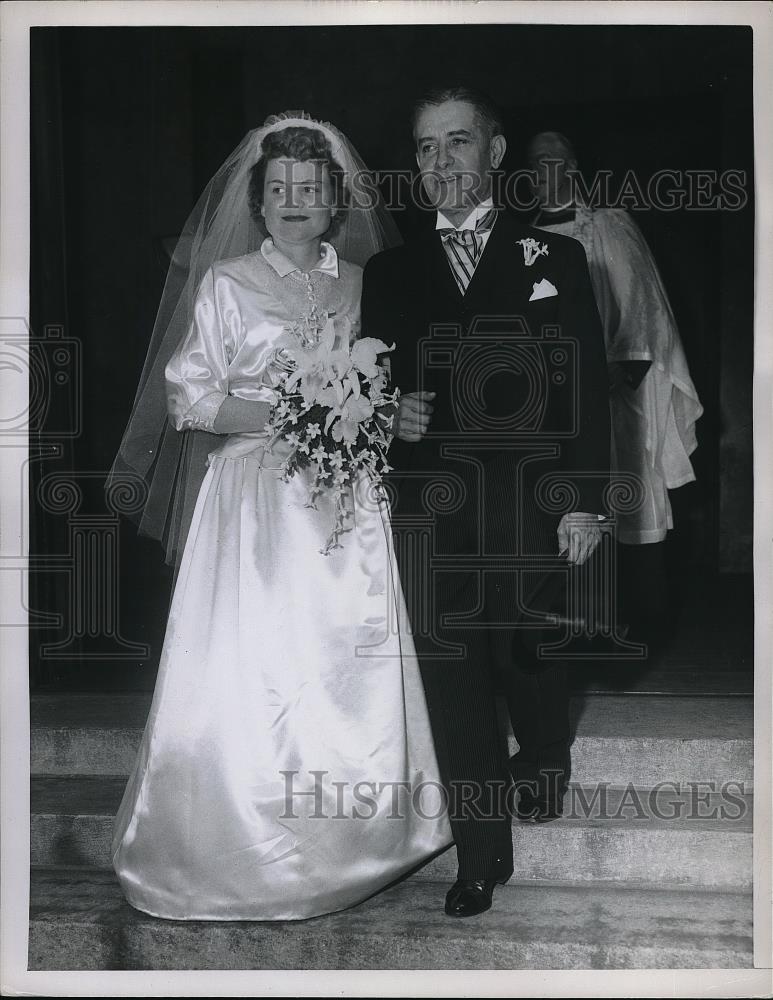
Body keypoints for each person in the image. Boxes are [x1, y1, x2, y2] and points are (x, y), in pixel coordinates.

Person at [107, 113, 451, 921]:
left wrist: (367, 410)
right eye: (278, 192)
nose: (295, 203)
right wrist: (292, 407)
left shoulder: (365, 282)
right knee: (255, 663)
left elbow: (383, 386)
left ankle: (360, 840)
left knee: (340, 659)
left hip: (344, 497)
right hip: (255, 498)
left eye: (311, 190)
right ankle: (236, 846)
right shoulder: (226, 282)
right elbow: (192, 396)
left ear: (337, 202)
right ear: (257, 205)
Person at [361, 88, 610, 918]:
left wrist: (581, 501)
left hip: (530, 494)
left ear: (495, 154)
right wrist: (394, 415)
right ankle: (480, 853)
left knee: (529, 649)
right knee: (452, 669)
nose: (439, 164)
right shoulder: (389, 272)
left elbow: (586, 390)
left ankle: (543, 756)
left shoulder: (557, 259)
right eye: (424, 148)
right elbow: (372, 391)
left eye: (456, 143)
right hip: (429, 502)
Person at [528, 131, 703, 641]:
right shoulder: (520, 236)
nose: (542, 173)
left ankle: (634, 630)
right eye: (532, 164)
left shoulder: (608, 226)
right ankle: (570, 635)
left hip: (614, 395)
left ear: (574, 166)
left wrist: (609, 374)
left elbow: (644, 310)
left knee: (622, 496)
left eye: (552, 161)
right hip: (550, 402)